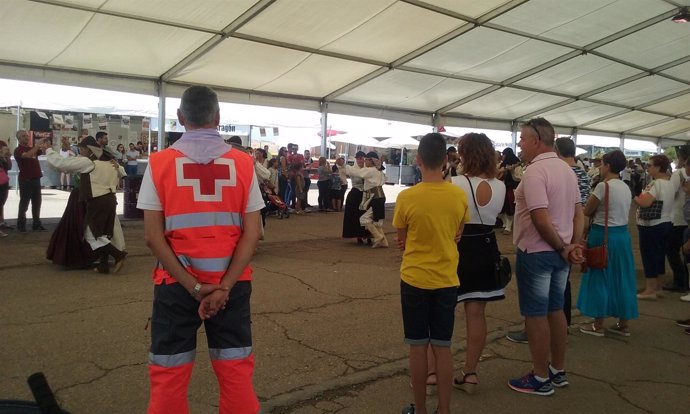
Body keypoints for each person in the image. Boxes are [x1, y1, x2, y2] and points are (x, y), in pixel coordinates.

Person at [137, 86, 263, 414]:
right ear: (218, 118)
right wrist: (224, 286)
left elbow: (152, 237)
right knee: (236, 372)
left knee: (169, 375)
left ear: (180, 118)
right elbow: (254, 233)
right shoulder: (244, 164)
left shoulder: (159, 163)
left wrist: (194, 286)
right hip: (231, 286)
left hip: (176, 286)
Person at [508, 117, 584, 396]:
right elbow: (578, 212)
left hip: (538, 252)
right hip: (560, 252)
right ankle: (557, 370)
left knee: (536, 315)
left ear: (536, 141)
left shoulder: (535, 172)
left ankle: (540, 377)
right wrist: (572, 244)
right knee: (555, 310)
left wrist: (565, 247)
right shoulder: (566, 170)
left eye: (523, 139)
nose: (520, 144)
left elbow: (540, 218)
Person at [393, 132, 469, 414]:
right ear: (447, 160)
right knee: (443, 346)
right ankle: (444, 409)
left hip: (414, 278)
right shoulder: (458, 195)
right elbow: (459, 231)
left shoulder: (407, 197)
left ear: (419, 160)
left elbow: (402, 238)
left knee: (417, 346)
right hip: (447, 279)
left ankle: (421, 409)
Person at [450, 133, 506, 393]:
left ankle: (431, 371)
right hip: (486, 248)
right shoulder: (501, 186)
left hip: (457, 248)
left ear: (466, 154)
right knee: (477, 314)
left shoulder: (455, 183)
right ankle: (470, 371)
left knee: (441, 312)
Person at [577, 150, 639, 337]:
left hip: (602, 235)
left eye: (602, 164)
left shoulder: (603, 187)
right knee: (622, 278)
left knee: (599, 277)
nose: (600, 167)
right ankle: (623, 324)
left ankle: (598, 324)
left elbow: (587, 211)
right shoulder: (625, 187)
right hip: (622, 236)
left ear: (608, 166)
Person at [45, 136, 126, 273]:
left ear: (88, 149)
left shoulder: (88, 162)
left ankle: (118, 255)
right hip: (110, 199)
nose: (80, 151)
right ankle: (103, 265)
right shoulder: (110, 162)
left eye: (82, 148)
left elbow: (61, 163)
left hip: (97, 200)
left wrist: (48, 150)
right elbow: (123, 173)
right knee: (105, 233)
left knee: (91, 234)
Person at [634, 154, 674, 299]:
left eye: (650, 165)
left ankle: (650, 289)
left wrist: (635, 197)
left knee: (649, 255)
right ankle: (658, 287)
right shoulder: (670, 183)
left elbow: (645, 203)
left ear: (658, 167)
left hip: (651, 224)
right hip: (666, 222)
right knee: (659, 256)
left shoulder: (656, 183)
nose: (647, 167)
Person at [346, 152, 388, 248]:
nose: (364, 161)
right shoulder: (379, 171)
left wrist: (347, 167)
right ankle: (384, 242)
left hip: (375, 197)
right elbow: (385, 179)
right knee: (376, 220)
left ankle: (378, 236)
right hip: (379, 196)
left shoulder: (371, 170)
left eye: (366, 160)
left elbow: (359, 173)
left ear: (371, 161)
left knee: (364, 219)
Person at [663, 146, 690, 293]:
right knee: (685, 251)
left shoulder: (678, 174)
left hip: (678, 217)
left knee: (671, 249)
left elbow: (670, 193)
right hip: (686, 219)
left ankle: (680, 281)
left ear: (682, 158)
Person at [14, 130, 46, 232]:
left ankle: (36, 224)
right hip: (26, 180)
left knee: (37, 203)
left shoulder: (32, 148)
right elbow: (27, 155)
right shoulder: (18, 150)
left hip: (36, 178)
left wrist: (44, 145)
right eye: (23, 136)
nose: (26, 138)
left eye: (27, 136)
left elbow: (42, 151)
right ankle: (21, 225)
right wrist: (37, 146)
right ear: (18, 139)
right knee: (24, 203)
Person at [342, 151, 371, 244]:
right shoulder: (352, 169)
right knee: (355, 216)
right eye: (358, 158)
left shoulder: (369, 168)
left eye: (361, 158)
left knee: (367, 215)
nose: (360, 160)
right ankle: (358, 235)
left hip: (367, 193)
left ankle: (368, 235)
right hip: (356, 193)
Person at [497, 147, 521, 235]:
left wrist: (511, 172)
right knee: (502, 207)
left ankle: (508, 227)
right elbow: (498, 173)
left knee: (509, 207)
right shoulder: (504, 164)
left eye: (503, 154)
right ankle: (505, 224)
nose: (502, 156)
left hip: (512, 188)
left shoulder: (517, 164)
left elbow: (518, 178)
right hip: (504, 187)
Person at [0, 140, 12, 237]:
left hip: (3, 182)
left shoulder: (2, 143)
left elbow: (9, 167)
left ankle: (1, 221)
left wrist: (6, 156)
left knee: (1, 203)